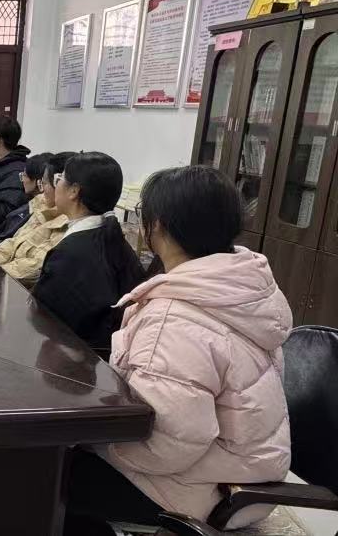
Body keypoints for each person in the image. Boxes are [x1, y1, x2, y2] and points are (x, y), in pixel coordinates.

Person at [65, 166, 292, 533]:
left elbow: (168, 445)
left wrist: (93, 443)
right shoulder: (240, 285)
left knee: (45, 475)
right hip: (246, 473)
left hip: (203, 490)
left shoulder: (176, 318)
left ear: (157, 225)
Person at [31, 152, 144, 351]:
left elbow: (44, 317)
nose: (56, 184)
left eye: (60, 179)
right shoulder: (109, 235)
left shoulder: (70, 254)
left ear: (74, 191)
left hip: (70, 356)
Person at [0, 152, 73, 285]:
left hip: (18, 288)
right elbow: (14, 242)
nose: (42, 189)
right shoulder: (41, 205)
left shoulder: (69, 224)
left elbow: (34, 267)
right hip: (3, 278)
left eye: (44, 183)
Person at [0, 152, 50, 250]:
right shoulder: (29, 205)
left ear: (38, 182)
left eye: (24, 175)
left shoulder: (38, 213)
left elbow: (10, 241)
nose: (22, 180)